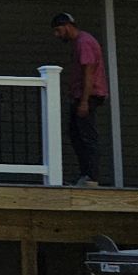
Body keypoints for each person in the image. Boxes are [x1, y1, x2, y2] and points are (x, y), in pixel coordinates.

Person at [51, 12, 109, 186]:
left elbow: (88, 73)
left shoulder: (84, 42)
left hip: (88, 96)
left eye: (58, 30)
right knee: (76, 134)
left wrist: (84, 101)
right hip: (81, 96)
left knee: (87, 136)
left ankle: (92, 177)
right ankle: (86, 174)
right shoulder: (80, 42)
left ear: (68, 26)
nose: (57, 34)